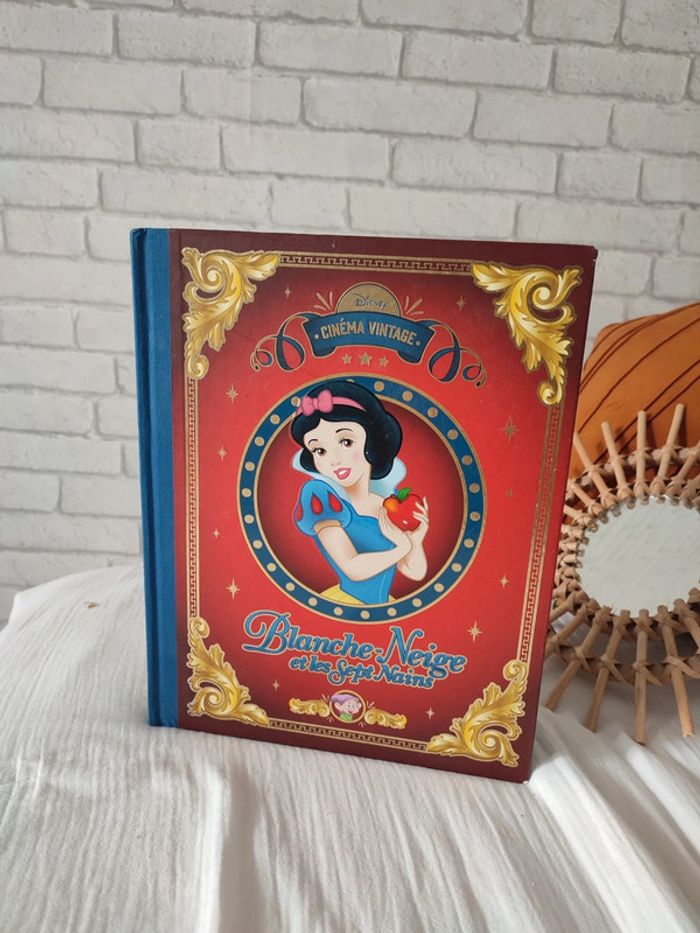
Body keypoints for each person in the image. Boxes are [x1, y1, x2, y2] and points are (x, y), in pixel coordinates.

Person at [290, 380, 429, 605]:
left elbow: (415, 572)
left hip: (382, 608)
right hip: (347, 603)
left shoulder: (387, 502)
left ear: (371, 441)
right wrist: (402, 547)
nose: (334, 460)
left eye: (346, 442)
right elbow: (352, 567)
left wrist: (415, 541)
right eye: (320, 450)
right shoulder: (320, 496)